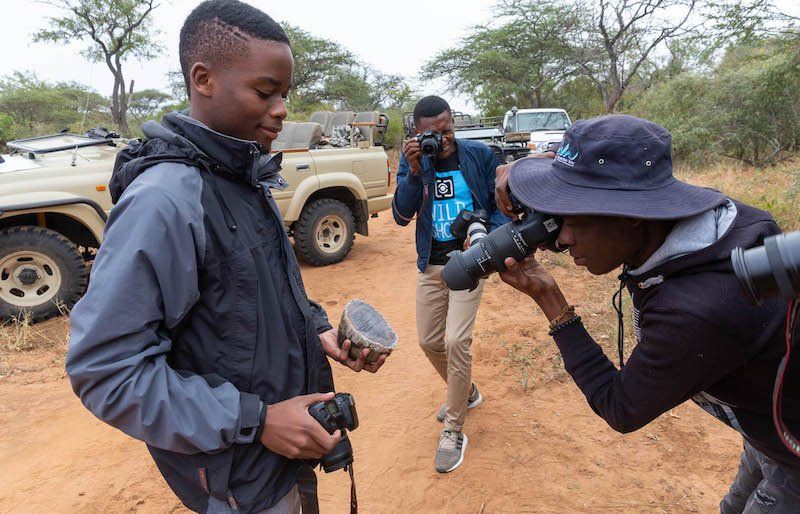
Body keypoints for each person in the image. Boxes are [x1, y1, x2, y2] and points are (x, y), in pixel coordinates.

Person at [66, 2, 385, 513]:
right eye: (265, 92)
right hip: (238, 474)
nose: (281, 108)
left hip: (283, 455)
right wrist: (256, 420)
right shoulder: (166, 200)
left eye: (284, 94)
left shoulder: (242, 175)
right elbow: (106, 371)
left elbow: (255, 295)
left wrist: (316, 329)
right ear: (203, 79)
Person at [495, 114, 800, 512]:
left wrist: (551, 299)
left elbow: (620, 406)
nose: (562, 239)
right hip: (766, 425)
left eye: (571, 220)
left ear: (633, 212)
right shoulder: (720, 223)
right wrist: (523, 171)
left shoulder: (695, 311)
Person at [392, 96, 507, 473]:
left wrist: (484, 238)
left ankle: (454, 428)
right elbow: (401, 215)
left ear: (453, 121)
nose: (441, 139)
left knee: (457, 341)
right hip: (431, 265)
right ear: (417, 132)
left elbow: (497, 205)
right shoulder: (414, 160)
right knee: (428, 341)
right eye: (431, 133)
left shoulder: (478, 155)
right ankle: (467, 393)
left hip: (468, 262)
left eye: (447, 129)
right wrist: (412, 171)